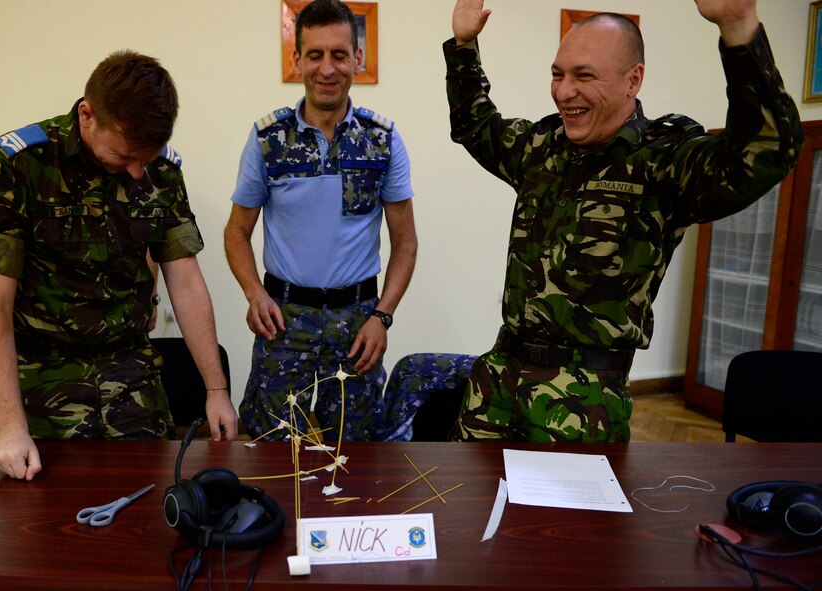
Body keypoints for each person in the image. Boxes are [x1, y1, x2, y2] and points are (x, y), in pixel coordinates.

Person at [445, 0, 803, 442]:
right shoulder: (542, 147)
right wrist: (464, 45)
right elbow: (472, 123)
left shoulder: (662, 161)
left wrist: (738, 25)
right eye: (558, 74)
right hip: (497, 380)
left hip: (582, 400)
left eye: (584, 75)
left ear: (633, 79)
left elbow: (766, 152)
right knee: (469, 504)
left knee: (564, 515)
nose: (563, 91)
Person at [0, 50, 238, 481]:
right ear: (87, 116)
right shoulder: (12, 168)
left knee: (151, 508)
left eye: (147, 156)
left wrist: (216, 390)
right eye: (123, 155)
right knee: (44, 524)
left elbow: (186, 281)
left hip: (132, 374)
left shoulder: (160, 172)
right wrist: (10, 427)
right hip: (42, 380)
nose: (137, 171)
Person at [224, 0, 417, 441]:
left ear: (357, 59)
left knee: (357, 455)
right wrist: (254, 294)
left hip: (359, 325)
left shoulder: (383, 140)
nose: (327, 69)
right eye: (315, 55)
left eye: (339, 54)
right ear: (297, 60)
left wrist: (382, 317)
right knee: (268, 451)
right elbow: (236, 231)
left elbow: (405, 241)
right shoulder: (267, 140)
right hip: (284, 321)